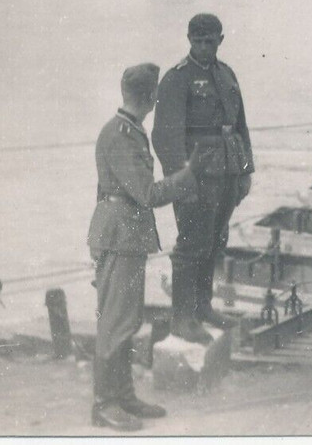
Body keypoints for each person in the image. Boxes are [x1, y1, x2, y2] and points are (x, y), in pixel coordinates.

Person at [89, 63, 200, 431]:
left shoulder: (129, 130)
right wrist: (187, 177)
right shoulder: (122, 135)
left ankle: (122, 395)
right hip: (120, 238)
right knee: (116, 322)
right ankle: (105, 404)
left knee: (127, 319)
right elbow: (146, 193)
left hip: (124, 237)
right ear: (151, 97)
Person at [152, 14, 254, 345]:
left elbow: (241, 126)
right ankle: (182, 318)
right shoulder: (176, 80)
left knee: (215, 240)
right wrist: (181, 182)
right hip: (196, 176)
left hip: (227, 170)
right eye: (198, 41)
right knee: (190, 244)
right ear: (189, 39)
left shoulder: (227, 75)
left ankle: (203, 307)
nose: (204, 47)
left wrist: (246, 171)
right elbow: (165, 138)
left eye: (210, 41)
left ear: (220, 40)